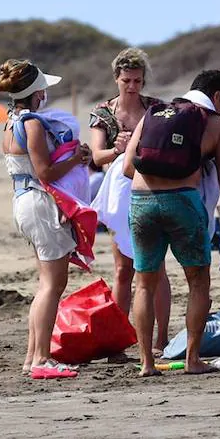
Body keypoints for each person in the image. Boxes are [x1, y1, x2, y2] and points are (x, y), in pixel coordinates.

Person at [123, 69, 220, 377]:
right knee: (198, 281)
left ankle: (146, 364)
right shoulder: (216, 124)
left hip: (141, 202)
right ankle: (192, 360)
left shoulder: (153, 113)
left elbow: (126, 167)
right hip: (182, 201)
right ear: (218, 97)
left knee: (144, 284)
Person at [0, 59, 94, 376]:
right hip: (39, 203)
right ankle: (41, 358)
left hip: (22, 201)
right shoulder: (33, 124)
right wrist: (78, 158)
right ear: (37, 92)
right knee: (53, 285)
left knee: (45, 284)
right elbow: (46, 172)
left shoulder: (10, 123)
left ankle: (32, 357)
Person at [89, 49, 173, 353]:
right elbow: (96, 157)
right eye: (126, 80)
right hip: (120, 191)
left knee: (156, 266)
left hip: (150, 188)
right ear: (116, 79)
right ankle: (119, 339)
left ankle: (161, 338)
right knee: (124, 269)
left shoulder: (155, 108)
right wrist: (117, 149)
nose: (132, 86)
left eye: (137, 80)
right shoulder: (104, 113)